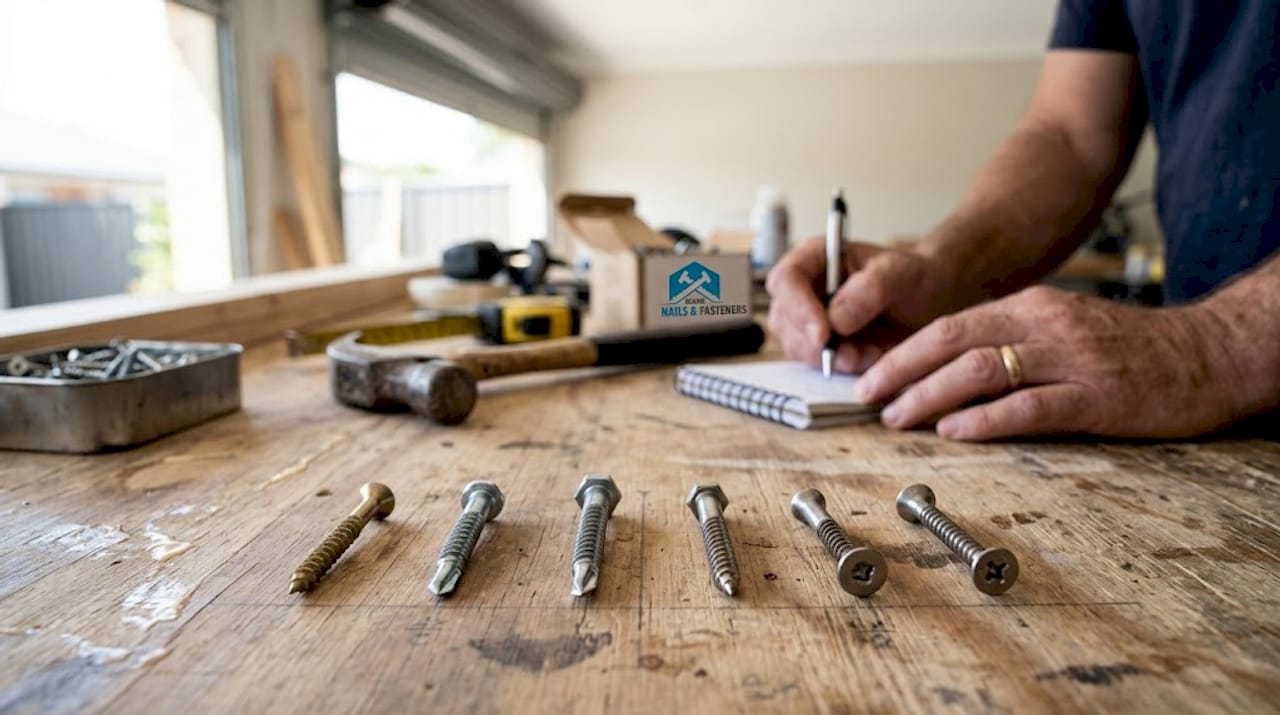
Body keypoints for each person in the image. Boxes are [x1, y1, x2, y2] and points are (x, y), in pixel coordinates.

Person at [766, 0, 1279, 441]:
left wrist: (1214, 346)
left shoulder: (1206, 358)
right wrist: (941, 266)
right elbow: (1071, 136)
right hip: (1195, 429)